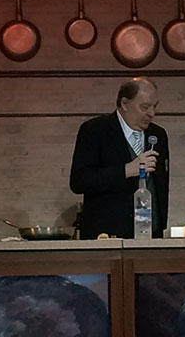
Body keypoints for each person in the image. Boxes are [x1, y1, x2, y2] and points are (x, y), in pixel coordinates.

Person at [70, 77, 169, 239]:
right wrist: (126, 170)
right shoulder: (94, 131)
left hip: (151, 236)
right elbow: (79, 181)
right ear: (124, 103)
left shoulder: (158, 135)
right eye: (145, 107)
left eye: (154, 107)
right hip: (107, 236)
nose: (152, 113)